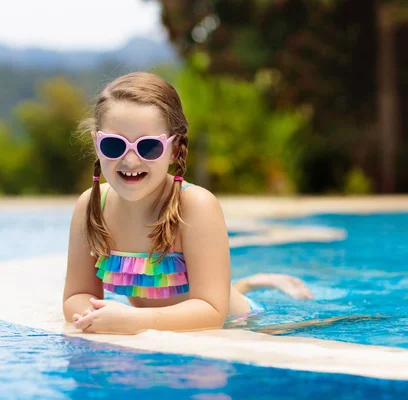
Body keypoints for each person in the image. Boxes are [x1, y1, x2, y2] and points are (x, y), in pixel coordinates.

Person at [62, 72, 312, 334]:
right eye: (114, 145)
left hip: (240, 323)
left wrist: (134, 321)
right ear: (96, 143)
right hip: (154, 324)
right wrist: (92, 316)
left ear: (174, 149)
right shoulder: (92, 206)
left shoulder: (195, 206)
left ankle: (248, 286)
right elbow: (76, 295)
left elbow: (212, 312)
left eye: (148, 147)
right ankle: (249, 282)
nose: (131, 160)